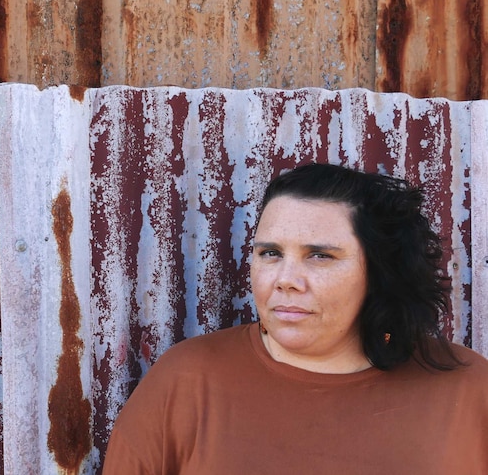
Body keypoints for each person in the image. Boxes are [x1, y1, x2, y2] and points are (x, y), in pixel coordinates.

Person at [102, 163, 488, 474]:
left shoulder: (468, 390)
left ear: (380, 270)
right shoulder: (187, 380)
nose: (286, 280)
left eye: (320, 256)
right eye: (270, 253)